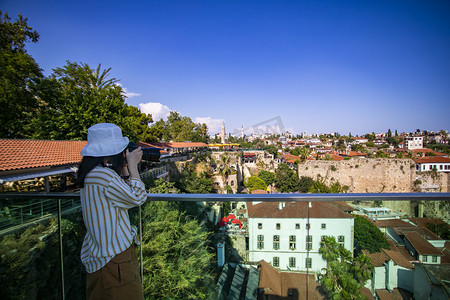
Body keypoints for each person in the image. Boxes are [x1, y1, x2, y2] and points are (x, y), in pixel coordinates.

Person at [77, 123, 146, 300]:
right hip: (114, 259)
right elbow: (138, 198)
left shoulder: (93, 173)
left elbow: (121, 194)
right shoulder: (103, 176)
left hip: (103, 255)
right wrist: (132, 166)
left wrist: (123, 168)